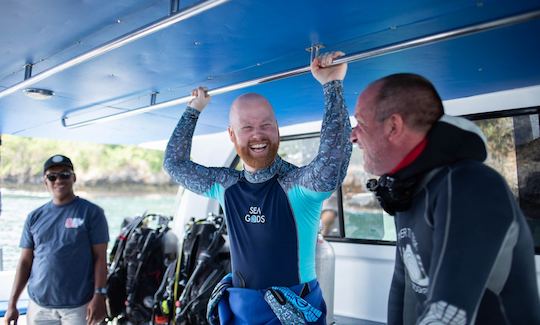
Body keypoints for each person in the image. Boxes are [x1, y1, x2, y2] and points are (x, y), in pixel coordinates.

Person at [163, 51, 351, 324]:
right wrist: (193, 110)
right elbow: (174, 164)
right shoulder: (225, 186)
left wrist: (332, 85)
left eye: (265, 125)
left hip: (295, 312)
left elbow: (332, 162)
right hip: (242, 311)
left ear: (277, 128)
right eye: (247, 127)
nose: (258, 135)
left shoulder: (297, 186)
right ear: (232, 134)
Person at [350, 73, 540, 324]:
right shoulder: (408, 190)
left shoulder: (470, 186)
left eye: (360, 123)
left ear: (393, 126)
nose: (353, 136)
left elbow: (449, 314)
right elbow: (405, 285)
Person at [4, 155, 109, 325]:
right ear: (45, 181)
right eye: (52, 176)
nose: (58, 180)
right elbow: (25, 261)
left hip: (79, 305)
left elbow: (100, 258)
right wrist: (12, 304)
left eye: (64, 175)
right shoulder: (34, 217)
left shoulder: (92, 213)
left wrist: (100, 295)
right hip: (39, 305)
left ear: (73, 178)